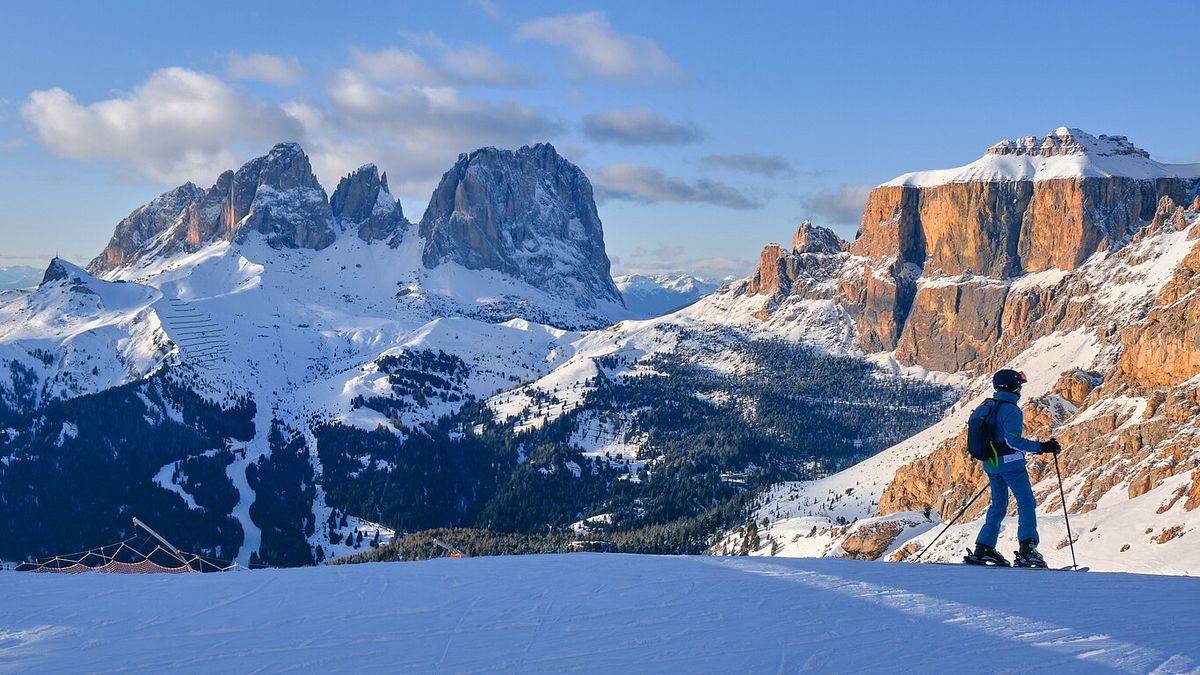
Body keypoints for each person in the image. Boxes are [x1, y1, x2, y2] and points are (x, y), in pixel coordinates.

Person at [966, 369, 1061, 568]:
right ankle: (1028, 548)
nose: (1020, 390)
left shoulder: (988, 406)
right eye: (1019, 386)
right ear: (1013, 387)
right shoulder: (1011, 410)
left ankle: (983, 548)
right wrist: (1042, 447)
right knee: (1026, 503)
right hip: (1012, 465)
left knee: (998, 506)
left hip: (990, 465)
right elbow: (1013, 441)